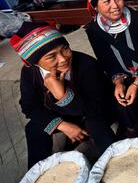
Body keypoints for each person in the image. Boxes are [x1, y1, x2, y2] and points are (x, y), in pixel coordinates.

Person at [11, 22, 117, 169]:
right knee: (34, 129)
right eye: (51, 56)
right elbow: (29, 106)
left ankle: (116, 164)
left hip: (93, 111)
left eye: (65, 49)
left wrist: (63, 95)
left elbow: (96, 107)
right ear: (35, 62)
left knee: (96, 125)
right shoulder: (29, 72)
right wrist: (63, 126)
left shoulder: (87, 65)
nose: (63, 59)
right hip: (62, 116)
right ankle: (36, 175)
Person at [83, 0, 138, 139]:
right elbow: (106, 60)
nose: (115, 5)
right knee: (119, 97)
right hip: (122, 74)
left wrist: (136, 83)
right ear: (95, 6)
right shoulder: (94, 30)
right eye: (106, 1)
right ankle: (132, 129)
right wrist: (118, 82)